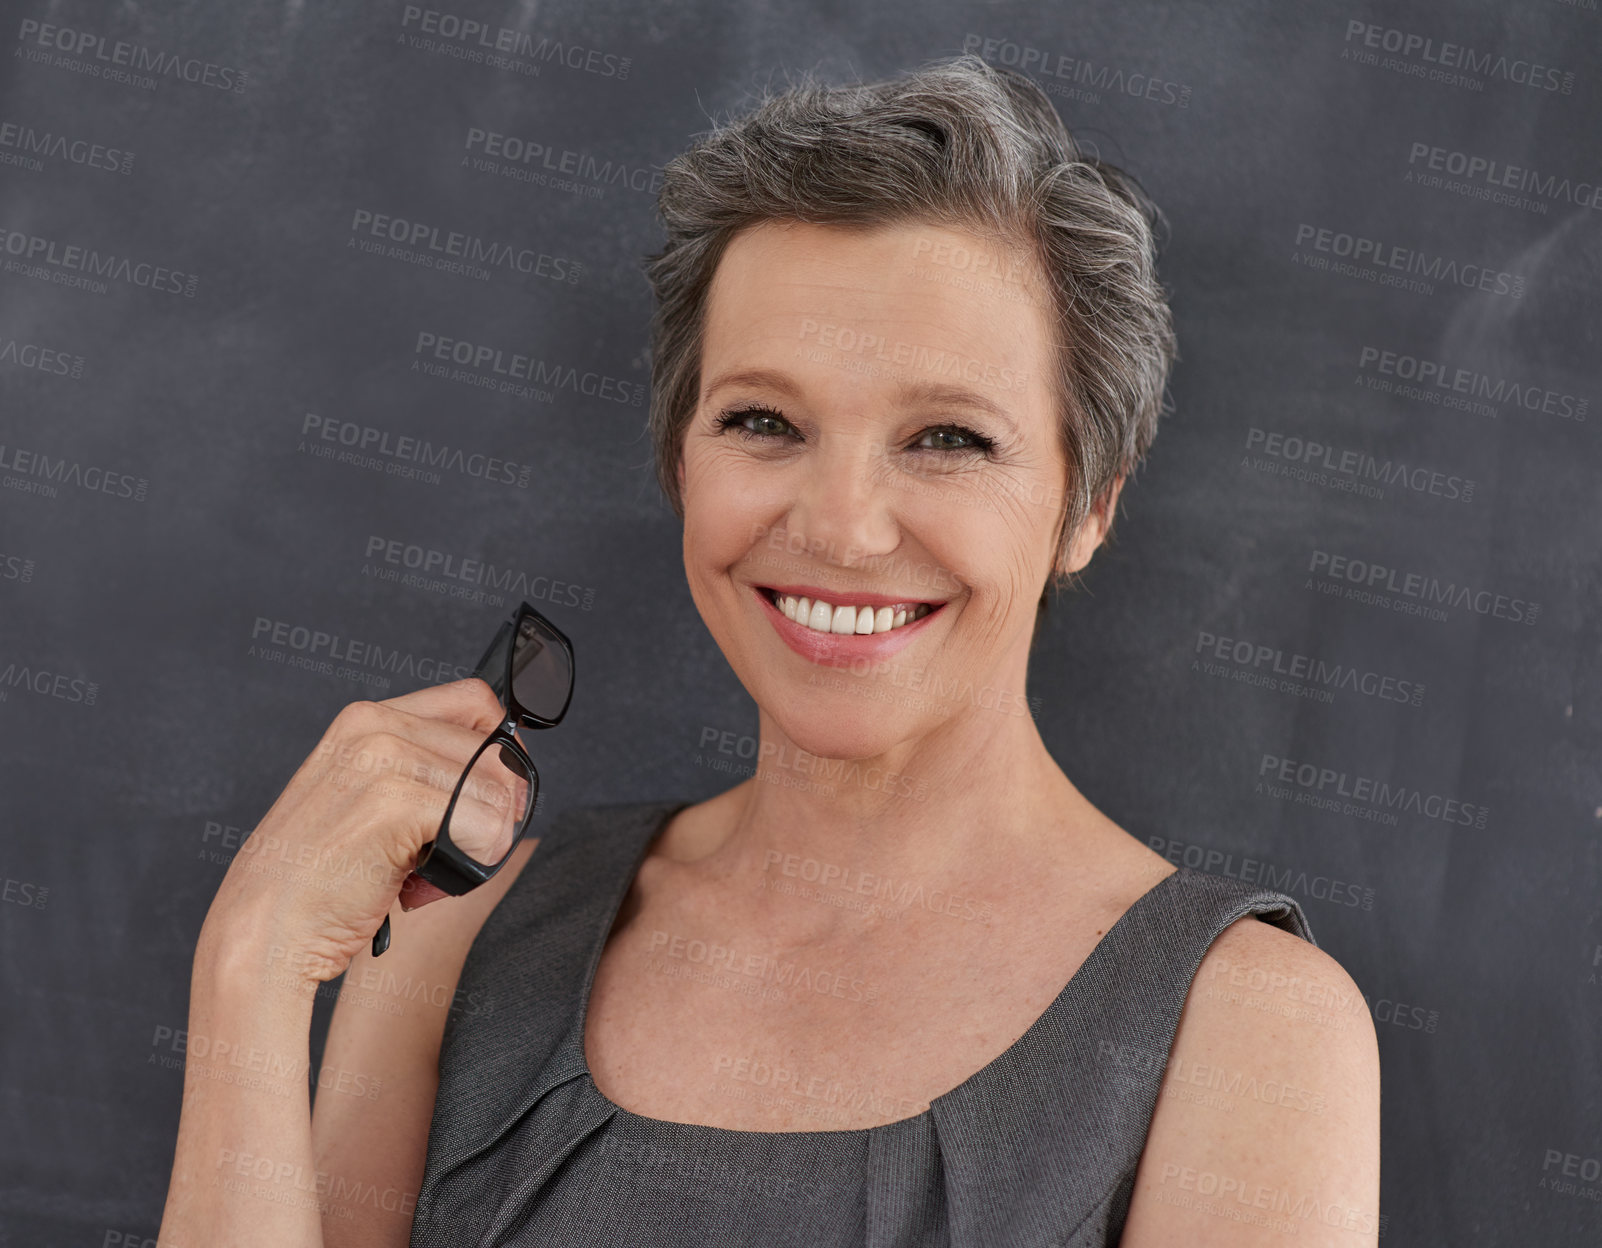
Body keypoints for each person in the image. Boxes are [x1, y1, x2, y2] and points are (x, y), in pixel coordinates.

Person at [159, 53, 1379, 1246]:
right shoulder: (452, 938)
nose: (842, 526)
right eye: (762, 421)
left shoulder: (1253, 1033)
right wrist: (251, 967)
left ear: (1089, 505)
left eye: (948, 437)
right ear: (680, 460)